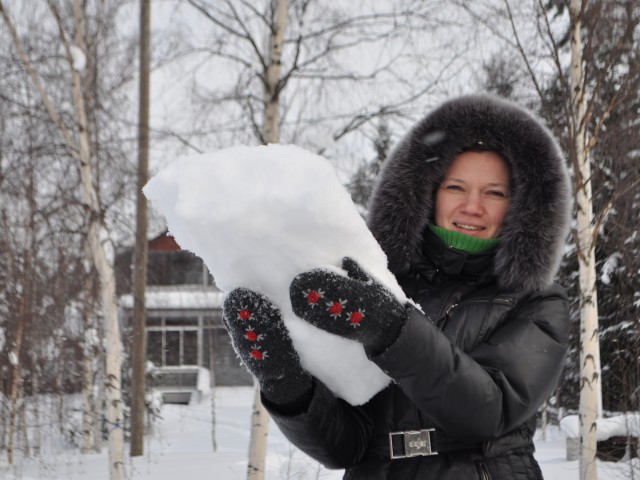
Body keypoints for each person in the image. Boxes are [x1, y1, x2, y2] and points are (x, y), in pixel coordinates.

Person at [222, 94, 572, 479]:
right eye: (456, 187)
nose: (473, 206)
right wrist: (287, 386)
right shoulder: (381, 284)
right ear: (428, 192)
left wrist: (391, 328)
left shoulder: (538, 301)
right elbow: (344, 446)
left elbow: (488, 412)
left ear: (521, 204)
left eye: (494, 192)